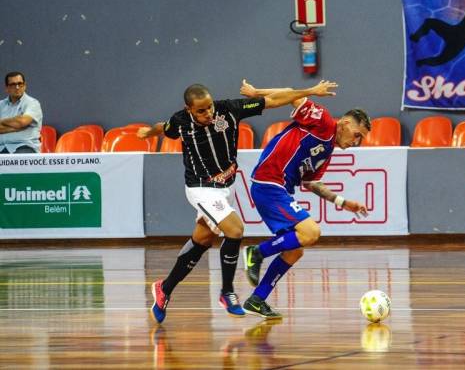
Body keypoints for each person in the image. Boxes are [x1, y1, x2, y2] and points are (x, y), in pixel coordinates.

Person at [138, 79, 338, 324]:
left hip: (225, 188)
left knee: (202, 240)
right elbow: (164, 127)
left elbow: (275, 100)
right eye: (201, 110)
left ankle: (164, 288)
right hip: (201, 188)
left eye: (209, 107)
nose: (208, 113)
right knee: (235, 229)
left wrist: (310, 91)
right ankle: (227, 292)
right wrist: (148, 132)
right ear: (189, 109)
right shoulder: (181, 121)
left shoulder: (229, 110)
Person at [239, 83, 371, 318]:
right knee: (311, 232)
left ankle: (256, 299)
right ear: (346, 124)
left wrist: (342, 202)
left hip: (279, 189)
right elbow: (291, 94)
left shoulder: (327, 150)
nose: (356, 142)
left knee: (295, 250)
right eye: (357, 135)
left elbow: (312, 183)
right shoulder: (324, 122)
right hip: (270, 181)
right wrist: (258, 93)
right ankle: (257, 253)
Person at [0, 72, 43, 154]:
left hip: (24, 146)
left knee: (17, 160)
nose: (17, 87)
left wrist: (2, 121)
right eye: (13, 84)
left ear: (25, 85)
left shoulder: (32, 103)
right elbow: (19, 124)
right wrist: (15, 127)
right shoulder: (1, 105)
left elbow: (22, 122)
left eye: (20, 84)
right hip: (2, 147)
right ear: (7, 88)